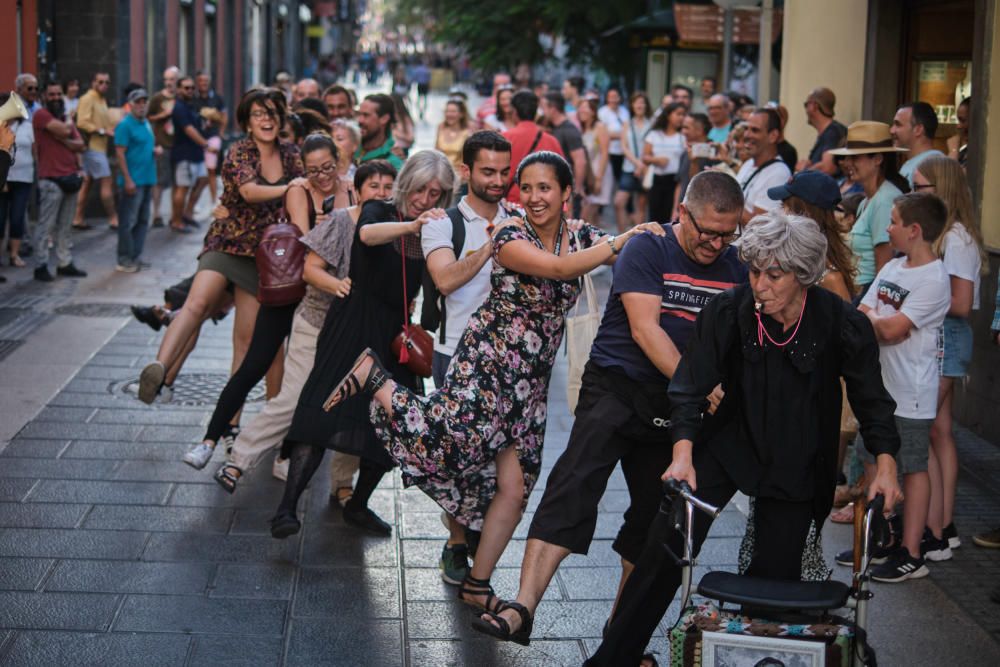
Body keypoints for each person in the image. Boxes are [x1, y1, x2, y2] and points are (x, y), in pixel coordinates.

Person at [323, 151, 663, 623]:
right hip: (491, 361)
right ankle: (376, 379)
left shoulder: (581, 234)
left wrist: (658, 238)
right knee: (446, 438)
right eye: (529, 188)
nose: (535, 197)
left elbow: (610, 252)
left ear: (567, 193)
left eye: (547, 188)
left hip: (533, 379)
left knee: (516, 486)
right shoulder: (508, 232)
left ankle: (478, 585)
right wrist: (627, 237)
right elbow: (561, 270)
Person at [587, 210, 903, 665]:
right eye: (754, 271)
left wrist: (886, 464)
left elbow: (873, 399)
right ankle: (612, 658)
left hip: (796, 457)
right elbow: (690, 385)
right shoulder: (730, 310)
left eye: (774, 275)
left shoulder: (838, 320)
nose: (760, 285)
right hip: (727, 443)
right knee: (664, 545)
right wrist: (682, 455)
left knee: (771, 589)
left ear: (803, 274)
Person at [479, 171, 746, 645]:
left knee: (654, 521)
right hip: (618, 387)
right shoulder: (649, 247)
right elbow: (647, 331)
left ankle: (621, 637)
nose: (716, 243)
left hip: (676, 407)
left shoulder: (735, 266)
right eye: (707, 231)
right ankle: (524, 605)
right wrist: (703, 387)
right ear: (682, 213)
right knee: (573, 485)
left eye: (728, 233)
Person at [272, 150, 455, 539]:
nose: (425, 200)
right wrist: (411, 228)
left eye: (435, 194)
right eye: (421, 189)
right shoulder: (379, 209)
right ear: (407, 181)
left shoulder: (437, 225)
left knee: (395, 421)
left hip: (394, 333)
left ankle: (358, 505)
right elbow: (366, 235)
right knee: (320, 411)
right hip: (352, 321)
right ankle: (286, 509)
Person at [211, 161, 396, 497]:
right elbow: (310, 270)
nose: (381, 194)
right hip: (316, 321)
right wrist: (338, 284)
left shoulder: (394, 228)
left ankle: (342, 486)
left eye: (388, 187)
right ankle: (239, 458)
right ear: (357, 189)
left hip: (355, 331)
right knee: (293, 397)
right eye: (374, 186)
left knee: (352, 406)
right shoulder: (341, 221)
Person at [177, 133, 351, 470]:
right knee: (253, 365)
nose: (322, 176)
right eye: (313, 170)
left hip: (323, 299)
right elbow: (308, 240)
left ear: (338, 160)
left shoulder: (351, 187)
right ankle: (209, 440)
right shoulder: (299, 190)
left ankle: (285, 455)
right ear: (303, 168)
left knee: (304, 381)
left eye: (328, 167)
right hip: (289, 290)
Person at [137, 88, 304, 405]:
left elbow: (305, 195)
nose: (265, 119)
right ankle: (158, 368)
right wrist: (291, 187)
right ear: (247, 121)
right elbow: (250, 192)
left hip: (264, 258)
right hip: (227, 243)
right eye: (258, 114)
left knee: (245, 341)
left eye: (271, 113)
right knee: (196, 304)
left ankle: (229, 424)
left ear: (280, 118)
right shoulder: (239, 151)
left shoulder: (291, 154)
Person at [422, 131, 516, 585]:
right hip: (454, 352)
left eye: (504, 171)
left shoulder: (519, 216)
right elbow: (444, 280)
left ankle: (479, 536)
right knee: (456, 459)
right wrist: (490, 246)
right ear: (466, 172)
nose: (498, 181)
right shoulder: (443, 224)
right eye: (488, 172)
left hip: (509, 359)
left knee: (503, 464)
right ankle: (457, 543)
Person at [850, 193, 951, 582]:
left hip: (911, 390)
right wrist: (879, 319)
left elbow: (891, 329)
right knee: (873, 456)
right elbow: (862, 315)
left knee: (912, 467)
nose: (887, 228)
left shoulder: (934, 279)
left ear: (915, 230)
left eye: (893, 221)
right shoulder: (893, 265)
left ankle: (912, 552)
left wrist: (879, 318)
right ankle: (884, 538)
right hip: (879, 385)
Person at [915, 157, 986, 555]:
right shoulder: (948, 234)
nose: (912, 193)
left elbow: (961, 304)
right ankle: (943, 524)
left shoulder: (956, 239)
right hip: (940, 337)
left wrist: (918, 300)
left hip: (946, 337)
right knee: (939, 431)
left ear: (940, 188)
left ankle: (934, 530)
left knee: (924, 430)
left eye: (919, 187)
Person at [829, 121, 910, 298]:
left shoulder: (884, 200)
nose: (847, 163)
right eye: (848, 157)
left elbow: (884, 266)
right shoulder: (870, 199)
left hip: (866, 293)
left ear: (878, 159)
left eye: (855, 157)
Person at [32, 82, 87, 282]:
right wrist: (68, 128)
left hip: (70, 176)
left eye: (58, 94)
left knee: (65, 225)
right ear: (45, 97)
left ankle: (64, 262)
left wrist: (64, 138)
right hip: (50, 178)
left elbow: (81, 145)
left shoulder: (64, 118)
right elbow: (66, 132)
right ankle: (41, 264)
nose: (55, 97)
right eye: (51, 94)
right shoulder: (41, 115)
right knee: (45, 225)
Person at [113, 88, 157, 273]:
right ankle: (124, 259)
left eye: (144, 101)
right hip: (133, 181)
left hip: (147, 179)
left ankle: (135, 256)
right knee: (128, 221)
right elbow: (120, 154)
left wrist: (156, 151)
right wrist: (128, 179)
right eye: (138, 102)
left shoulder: (146, 123)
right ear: (130, 104)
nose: (142, 105)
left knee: (142, 220)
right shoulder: (125, 125)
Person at [73, 71, 119, 230]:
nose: (104, 85)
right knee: (106, 182)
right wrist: (102, 131)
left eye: (107, 82)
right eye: (100, 82)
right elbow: (82, 122)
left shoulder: (101, 99)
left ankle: (77, 217)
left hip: (98, 147)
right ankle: (113, 218)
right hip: (93, 147)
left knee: (87, 184)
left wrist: (108, 128)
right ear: (93, 82)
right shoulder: (88, 98)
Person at [170, 76, 214, 233]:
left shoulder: (190, 106)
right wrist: (205, 144)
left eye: (191, 88)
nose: (189, 90)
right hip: (184, 153)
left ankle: (187, 213)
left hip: (196, 153)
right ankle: (176, 221)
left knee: (203, 180)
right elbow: (188, 129)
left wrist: (205, 124)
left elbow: (195, 125)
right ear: (179, 89)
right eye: (186, 88)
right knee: (182, 188)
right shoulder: (179, 107)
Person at [502, 90, 563, 204]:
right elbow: (562, 177)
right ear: (535, 113)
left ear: (514, 112)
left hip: (510, 204)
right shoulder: (552, 141)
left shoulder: (504, 138)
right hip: (542, 205)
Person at [735, 108, 793, 224]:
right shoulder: (748, 164)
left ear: (773, 136)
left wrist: (723, 198)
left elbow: (759, 223)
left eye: (755, 130)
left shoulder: (778, 173)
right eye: (746, 128)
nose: (746, 134)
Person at [0, 88, 34, 268]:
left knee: (17, 217)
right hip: (6, 179)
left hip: (23, 177)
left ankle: (14, 254)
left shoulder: (25, 126)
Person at [541, 92, 587, 215]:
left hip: (567, 190)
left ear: (553, 109)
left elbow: (580, 161)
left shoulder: (569, 130)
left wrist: (575, 191)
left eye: (544, 107)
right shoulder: (553, 127)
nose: (542, 111)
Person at [614, 92, 653, 232]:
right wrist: (637, 163)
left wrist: (643, 165)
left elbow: (653, 146)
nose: (639, 105)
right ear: (632, 105)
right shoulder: (627, 124)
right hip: (629, 167)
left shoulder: (652, 124)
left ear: (646, 105)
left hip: (646, 168)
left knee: (641, 206)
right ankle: (620, 237)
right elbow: (624, 146)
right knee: (619, 202)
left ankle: (637, 240)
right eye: (637, 102)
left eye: (642, 102)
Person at [642, 102, 686, 224]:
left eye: (683, 114)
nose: (681, 117)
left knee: (672, 218)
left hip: (675, 182)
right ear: (668, 115)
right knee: (655, 217)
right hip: (657, 180)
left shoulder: (683, 136)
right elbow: (645, 157)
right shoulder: (654, 134)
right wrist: (656, 160)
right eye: (678, 114)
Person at [189, 71, 227, 207]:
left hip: (212, 137)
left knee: (210, 170)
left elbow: (224, 116)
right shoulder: (193, 99)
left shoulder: (217, 98)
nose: (203, 84)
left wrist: (220, 133)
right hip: (197, 139)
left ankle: (213, 200)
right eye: (200, 81)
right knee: (199, 173)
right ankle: (195, 203)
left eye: (205, 81)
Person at [148, 66, 179, 228]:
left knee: (177, 181)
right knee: (159, 180)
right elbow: (147, 117)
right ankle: (156, 213)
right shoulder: (157, 98)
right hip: (162, 144)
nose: (169, 83)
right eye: (166, 79)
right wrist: (163, 115)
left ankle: (175, 214)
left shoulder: (181, 97)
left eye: (172, 79)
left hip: (179, 145)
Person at [892, 101, 945, 187]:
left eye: (898, 124)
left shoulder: (933, 163)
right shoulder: (913, 163)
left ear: (918, 130)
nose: (892, 130)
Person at [796, 87, 847, 175]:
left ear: (814, 106)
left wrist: (804, 170)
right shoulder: (829, 132)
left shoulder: (832, 133)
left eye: (806, 105)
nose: (806, 110)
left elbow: (827, 168)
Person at [578, 98, 614, 224]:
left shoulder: (600, 127)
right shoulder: (581, 128)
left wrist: (599, 179)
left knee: (586, 216)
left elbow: (605, 152)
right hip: (587, 175)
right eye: (580, 107)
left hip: (599, 172)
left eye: (585, 107)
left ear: (593, 111)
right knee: (592, 219)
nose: (582, 110)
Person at [675, 112, 718, 206]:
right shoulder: (685, 152)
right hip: (684, 210)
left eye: (686, 128)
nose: (683, 132)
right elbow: (680, 184)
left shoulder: (715, 154)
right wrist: (675, 210)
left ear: (700, 130)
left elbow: (698, 183)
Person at [355, 93, 403, 170]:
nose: (360, 120)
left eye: (366, 115)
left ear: (384, 119)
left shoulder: (393, 163)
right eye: (359, 114)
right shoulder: (351, 144)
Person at [598, 87, 630, 186]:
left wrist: (614, 134)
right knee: (609, 180)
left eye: (615, 97)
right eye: (611, 97)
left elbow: (628, 130)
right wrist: (622, 134)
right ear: (607, 98)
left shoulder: (624, 111)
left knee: (620, 180)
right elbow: (603, 134)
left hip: (623, 151)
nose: (613, 99)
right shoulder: (602, 112)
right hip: (609, 151)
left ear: (620, 98)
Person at [435, 98, 471, 179]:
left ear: (461, 114)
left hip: (459, 178)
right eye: (447, 111)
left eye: (453, 111)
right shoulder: (441, 127)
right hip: (441, 175)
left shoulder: (467, 133)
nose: (449, 114)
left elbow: (470, 159)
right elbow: (435, 152)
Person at [390, 93, 415, 159]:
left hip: (402, 150)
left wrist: (397, 133)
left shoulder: (405, 119)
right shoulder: (388, 117)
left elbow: (411, 138)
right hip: (389, 150)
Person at [947, 97, 970, 166]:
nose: (958, 126)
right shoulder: (964, 151)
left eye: (962, 120)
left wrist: (953, 151)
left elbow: (951, 175)